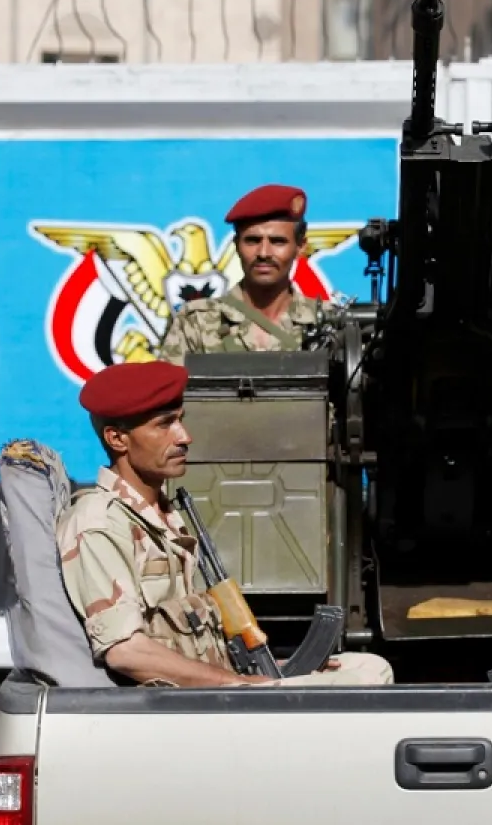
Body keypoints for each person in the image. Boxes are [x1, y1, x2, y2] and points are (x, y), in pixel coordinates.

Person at [56, 359, 393, 687]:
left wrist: (270, 669)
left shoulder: (161, 513)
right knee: (358, 682)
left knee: (368, 666)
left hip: (213, 685)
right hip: (174, 708)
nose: (184, 437)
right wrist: (238, 684)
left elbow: (190, 641)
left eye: (181, 421)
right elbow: (127, 652)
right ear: (117, 439)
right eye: (164, 424)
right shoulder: (99, 523)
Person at [159, 184, 331, 364]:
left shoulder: (327, 325)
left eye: (278, 242)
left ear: (300, 247)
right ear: (236, 245)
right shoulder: (196, 323)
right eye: (252, 241)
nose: (264, 253)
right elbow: (169, 389)